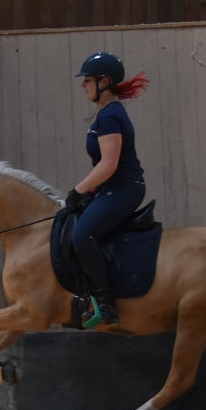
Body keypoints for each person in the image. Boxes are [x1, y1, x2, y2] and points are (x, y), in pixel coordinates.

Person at [66, 52, 150, 328]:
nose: (83, 86)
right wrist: (90, 192)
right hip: (112, 188)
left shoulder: (111, 116)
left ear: (104, 82)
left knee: (82, 234)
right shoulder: (106, 114)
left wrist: (78, 191)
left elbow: (109, 164)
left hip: (123, 187)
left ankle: (106, 305)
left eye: (87, 80)